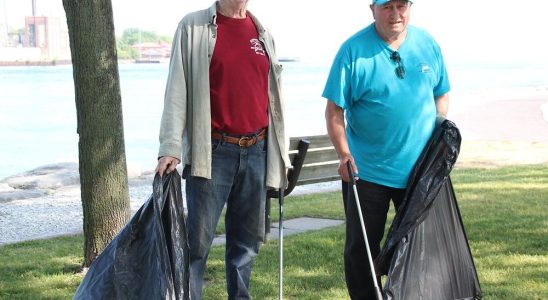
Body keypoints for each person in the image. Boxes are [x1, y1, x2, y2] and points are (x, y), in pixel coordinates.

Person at [155, 0, 290, 299]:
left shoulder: (261, 31)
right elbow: (177, 89)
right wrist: (170, 146)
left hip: (257, 151)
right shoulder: (193, 27)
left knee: (246, 246)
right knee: (197, 246)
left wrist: (278, 151)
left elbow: (272, 97)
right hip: (213, 153)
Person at [322, 0, 450, 298]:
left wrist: (438, 134)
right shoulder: (352, 51)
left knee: (421, 248)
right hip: (368, 173)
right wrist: (344, 154)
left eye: (401, 5)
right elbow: (334, 112)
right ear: (372, 9)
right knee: (361, 249)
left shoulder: (427, 43)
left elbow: (441, 95)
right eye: (387, 6)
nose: (395, 13)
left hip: (420, 173)